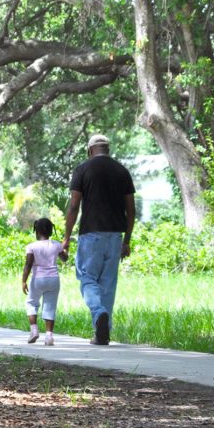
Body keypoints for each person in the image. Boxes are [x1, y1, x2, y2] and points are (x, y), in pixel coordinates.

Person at [62, 134, 135, 346]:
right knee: (108, 285)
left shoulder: (83, 169)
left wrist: (66, 237)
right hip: (115, 236)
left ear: (90, 150)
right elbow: (131, 210)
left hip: (91, 235)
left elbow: (74, 206)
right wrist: (127, 240)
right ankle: (103, 332)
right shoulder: (122, 171)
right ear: (107, 149)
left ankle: (98, 312)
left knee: (87, 278)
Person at [21, 217, 68, 346]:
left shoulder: (31, 246)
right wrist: (65, 248)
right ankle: (49, 337)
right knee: (50, 306)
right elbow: (65, 258)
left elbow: (28, 265)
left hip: (38, 279)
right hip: (53, 279)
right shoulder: (56, 245)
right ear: (50, 231)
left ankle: (34, 330)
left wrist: (24, 281)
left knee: (32, 303)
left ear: (36, 231)